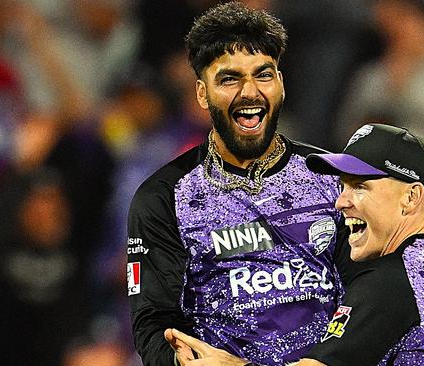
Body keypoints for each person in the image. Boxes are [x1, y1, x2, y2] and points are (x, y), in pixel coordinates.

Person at [167, 124, 424, 366]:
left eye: (361, 186)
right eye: (342, 186)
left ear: (411, 197)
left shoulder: (394, 280)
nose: (341, 201)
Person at [127, 2, 358, 365]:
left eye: (263, 75)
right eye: (230, 79)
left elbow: (367, 292)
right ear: (202, 93)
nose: (250, 92)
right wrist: (183, 362)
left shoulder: (331, 176)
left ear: (280, 83)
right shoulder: (164, 197)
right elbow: (155, 322)